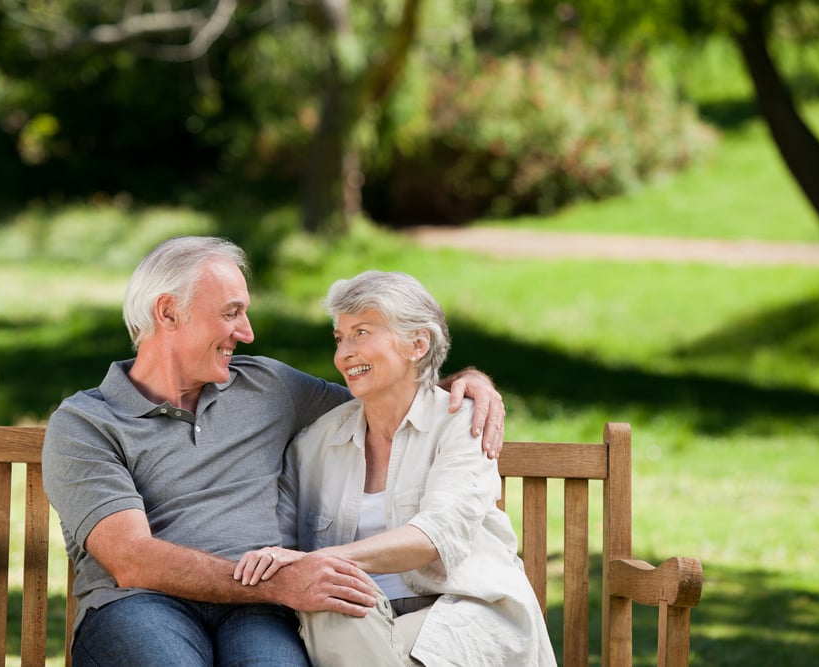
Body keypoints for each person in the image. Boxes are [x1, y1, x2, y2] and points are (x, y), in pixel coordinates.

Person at [41, 236, 507, 667]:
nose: (246, 332)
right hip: (140, 605)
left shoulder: (267, 387)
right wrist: (283, 581)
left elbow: (384, 392)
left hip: (259, 609)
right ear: (167, 313)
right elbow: (132, 559)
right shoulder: (85, 424)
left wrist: (463, 383)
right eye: (230, 313)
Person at [235, 270, 556, 666]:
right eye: (340, 338)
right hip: (358, 623)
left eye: (362, 333)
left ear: (417, 344)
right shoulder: (316, 442)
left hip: (464, 613)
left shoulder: (461, 423)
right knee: (330, 598)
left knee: (330, 583)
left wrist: (318, 561)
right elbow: (279, 545)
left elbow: (434, 536)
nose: (344, 353)